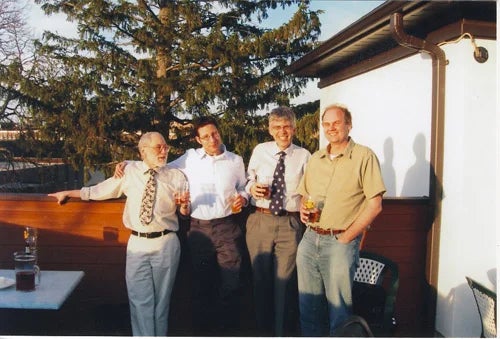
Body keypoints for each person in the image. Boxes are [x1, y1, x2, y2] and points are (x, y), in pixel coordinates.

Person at [114, 117, 249, 335]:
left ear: (219, 133)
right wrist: (128, 164)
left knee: (231, 284)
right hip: (198, 230)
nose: (211, 139)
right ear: (198, 139)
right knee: (201, 287)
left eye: (214, 134)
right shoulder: (189, 158)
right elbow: (158, 164)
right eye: (205, 136)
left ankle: (227, 332)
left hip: (227, 228)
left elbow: (244, 187)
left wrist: (243, 197)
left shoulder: (235, 160)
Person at [48, 132, 189, 337]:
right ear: (143, 151)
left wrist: (184, 206)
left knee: (161, 303)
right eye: (158, 147)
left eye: (165, 147)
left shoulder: (176, 176)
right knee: (139, 302)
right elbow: (99, 190)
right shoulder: (129, 171)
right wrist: (69, 193)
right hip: (137, 244)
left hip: (166, 243)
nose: (164, 151)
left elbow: (185, 211)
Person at [296, 104, 386, 336]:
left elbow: (375, 205)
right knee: (308, 308)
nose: (331, 128)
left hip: (339, 242)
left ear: (349, 124)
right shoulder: (316, 158)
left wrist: (346, 237)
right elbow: (305, 194)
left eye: (336, 123)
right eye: (326, 124)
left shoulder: (364, 156)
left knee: (339, 312)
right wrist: (302, 211)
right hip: (309, 240)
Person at [245, 106, 310, 336]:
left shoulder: (303, 155)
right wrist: (252, 187)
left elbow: (308, 190)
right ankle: (262, 332)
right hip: (260, 221)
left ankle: (281, 333)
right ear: (270, 130)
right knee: (260, 281)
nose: (283, 131)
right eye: (277, 127)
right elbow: (247, 180)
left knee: (285, 283)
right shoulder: (260, 150)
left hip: (289, 224)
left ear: (293, 128)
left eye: (287, 127)